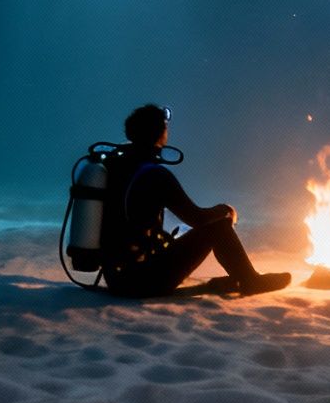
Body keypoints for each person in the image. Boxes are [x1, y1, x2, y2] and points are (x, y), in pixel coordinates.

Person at [100, 104, 290, 298]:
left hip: (116, 279)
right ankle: (251, 281)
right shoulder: (155, 175)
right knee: (220, 227)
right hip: (140, 281)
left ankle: (239, 278)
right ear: (160, 133)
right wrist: (225, 210)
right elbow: (197, 218)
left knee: (209, 229)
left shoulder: (115, 165)